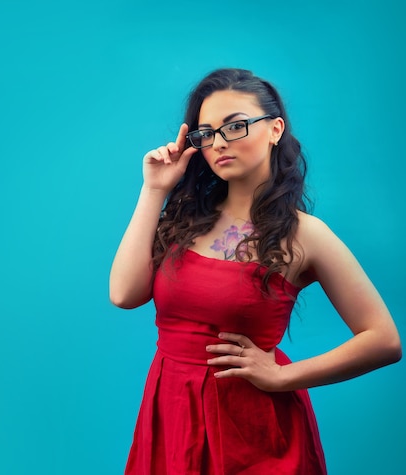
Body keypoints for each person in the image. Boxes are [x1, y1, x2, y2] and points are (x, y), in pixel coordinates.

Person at [109, 68, 402, 475]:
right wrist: (154, 189)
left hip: (251, 429)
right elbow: (124, 294)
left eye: (236, 126)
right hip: (171, 411)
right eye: (206, 133)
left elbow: (384, 341)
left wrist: (284, 377)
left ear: (275, 129)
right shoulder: (184, 219)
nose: (219, 143)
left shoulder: (306, 235)